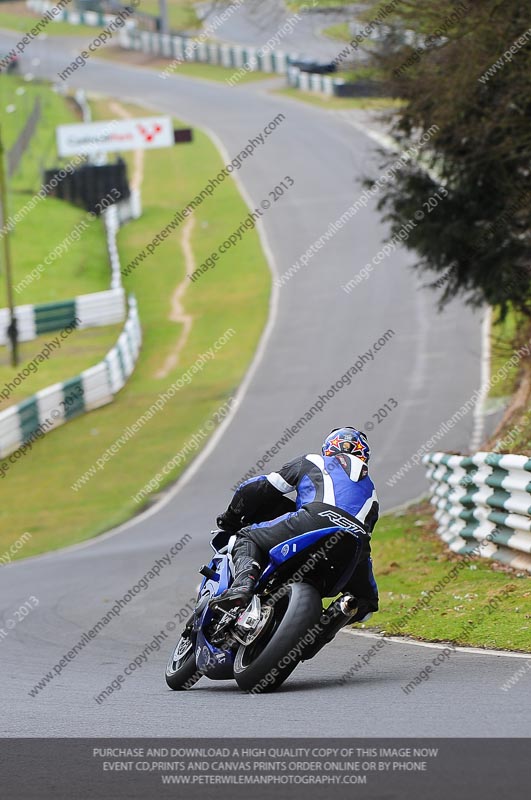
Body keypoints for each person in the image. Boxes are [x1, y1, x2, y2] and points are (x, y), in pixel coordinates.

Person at [214, 427, 379, 622]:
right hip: (354, 543)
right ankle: (324, 625)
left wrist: (231, 516)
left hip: (314, 520)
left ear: (328, 448)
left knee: (246, 536)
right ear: (363, 455)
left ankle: (242, 587)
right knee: (366, 604)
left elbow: (258, 488)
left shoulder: (313, 460)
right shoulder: (372, 494)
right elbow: (365, 534)